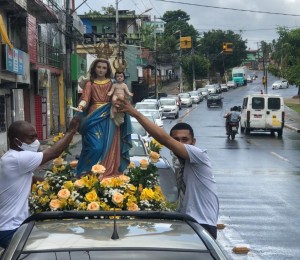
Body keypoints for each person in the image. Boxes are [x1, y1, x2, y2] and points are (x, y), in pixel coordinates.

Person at [115, 97, 219, 239]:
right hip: (186, 222)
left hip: (202, 225)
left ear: (193, 142)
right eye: (176, 140)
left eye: (185, 140)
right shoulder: (178, 163)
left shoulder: (199, 156)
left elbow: (165, 139)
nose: (181, 144)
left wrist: (135, 113)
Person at [0, 117, 80, 249]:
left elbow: (33, 179)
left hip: (16, 225)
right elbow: (54, 153)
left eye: (36, 137)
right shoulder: (18, 158)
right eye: (31, 138)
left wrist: (63, 185)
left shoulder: (11, 159)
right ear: (17, 141)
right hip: (10, 229)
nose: (36, 142)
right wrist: (71, 131)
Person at [76, 58, 132, 177]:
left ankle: (104, 172)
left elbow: (118, 95)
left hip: (109, 116)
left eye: (104, 68)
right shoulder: (90, 83)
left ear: (107, 70)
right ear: (94, 68)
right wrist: (81, 105)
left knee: (110, 145)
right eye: (99, 67)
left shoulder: (112, 84)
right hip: (93, 116)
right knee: (95, 147)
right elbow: (86, 98)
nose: (101, 70)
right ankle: (86, 172)